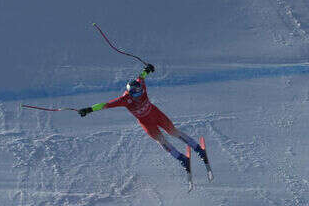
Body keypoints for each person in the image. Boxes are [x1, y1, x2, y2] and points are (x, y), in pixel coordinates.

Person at [77, 64, 210, 177]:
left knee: (173, 132)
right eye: (135, 93)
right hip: (146, 122)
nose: (139, 95)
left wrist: (147, 69)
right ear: (129, 93)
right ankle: (181, 159)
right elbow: (105, 105)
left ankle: (198, 149)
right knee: (161, 141)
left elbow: (141, 77)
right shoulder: (124, 100)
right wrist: (89, 109)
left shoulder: (141, 86)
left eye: (140, 92)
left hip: (156, 114)